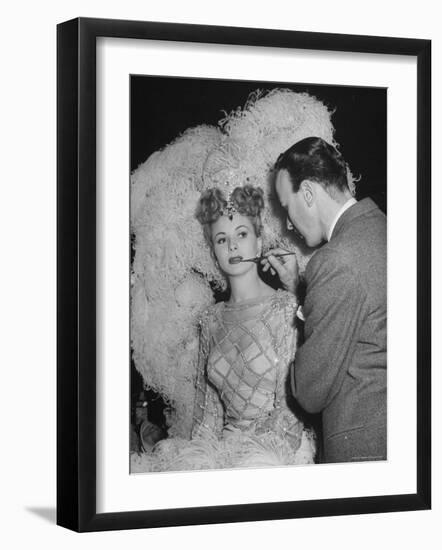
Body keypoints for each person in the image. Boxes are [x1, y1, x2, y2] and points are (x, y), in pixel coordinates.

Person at [132, 184, 316, 472]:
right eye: (221, 239)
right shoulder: (211, 320)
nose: (232, 246)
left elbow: (289, 414)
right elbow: (208, 417)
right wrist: (207, 459)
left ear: (258, 242)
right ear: (214, 252)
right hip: (221, 454)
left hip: (275, 457)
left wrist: (240, 455)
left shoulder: (285, 309)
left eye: (242, 234)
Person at [263, 136, 387, 464]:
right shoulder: (384, 231)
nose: (288, 223)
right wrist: (297, 287)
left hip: (366, 454)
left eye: (287, 208)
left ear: (308, 193)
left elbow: (310, 391)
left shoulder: (334, 260)